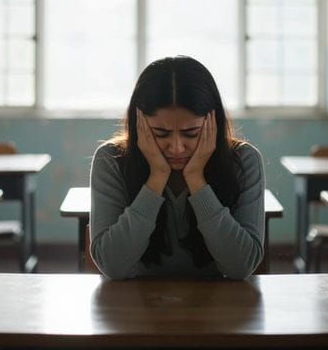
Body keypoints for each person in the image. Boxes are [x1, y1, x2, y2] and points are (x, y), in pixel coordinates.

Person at [89, 56, 265, 280]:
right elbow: (112, 266)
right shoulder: (111, 160)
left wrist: (196, 181)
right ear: (138, 123)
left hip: (217, 306)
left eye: (191, 133)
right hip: (136, 304)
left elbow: (241, 267)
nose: (177, 148)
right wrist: (156, 178)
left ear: (214, 122)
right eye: (160, 133)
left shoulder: (244, 160)